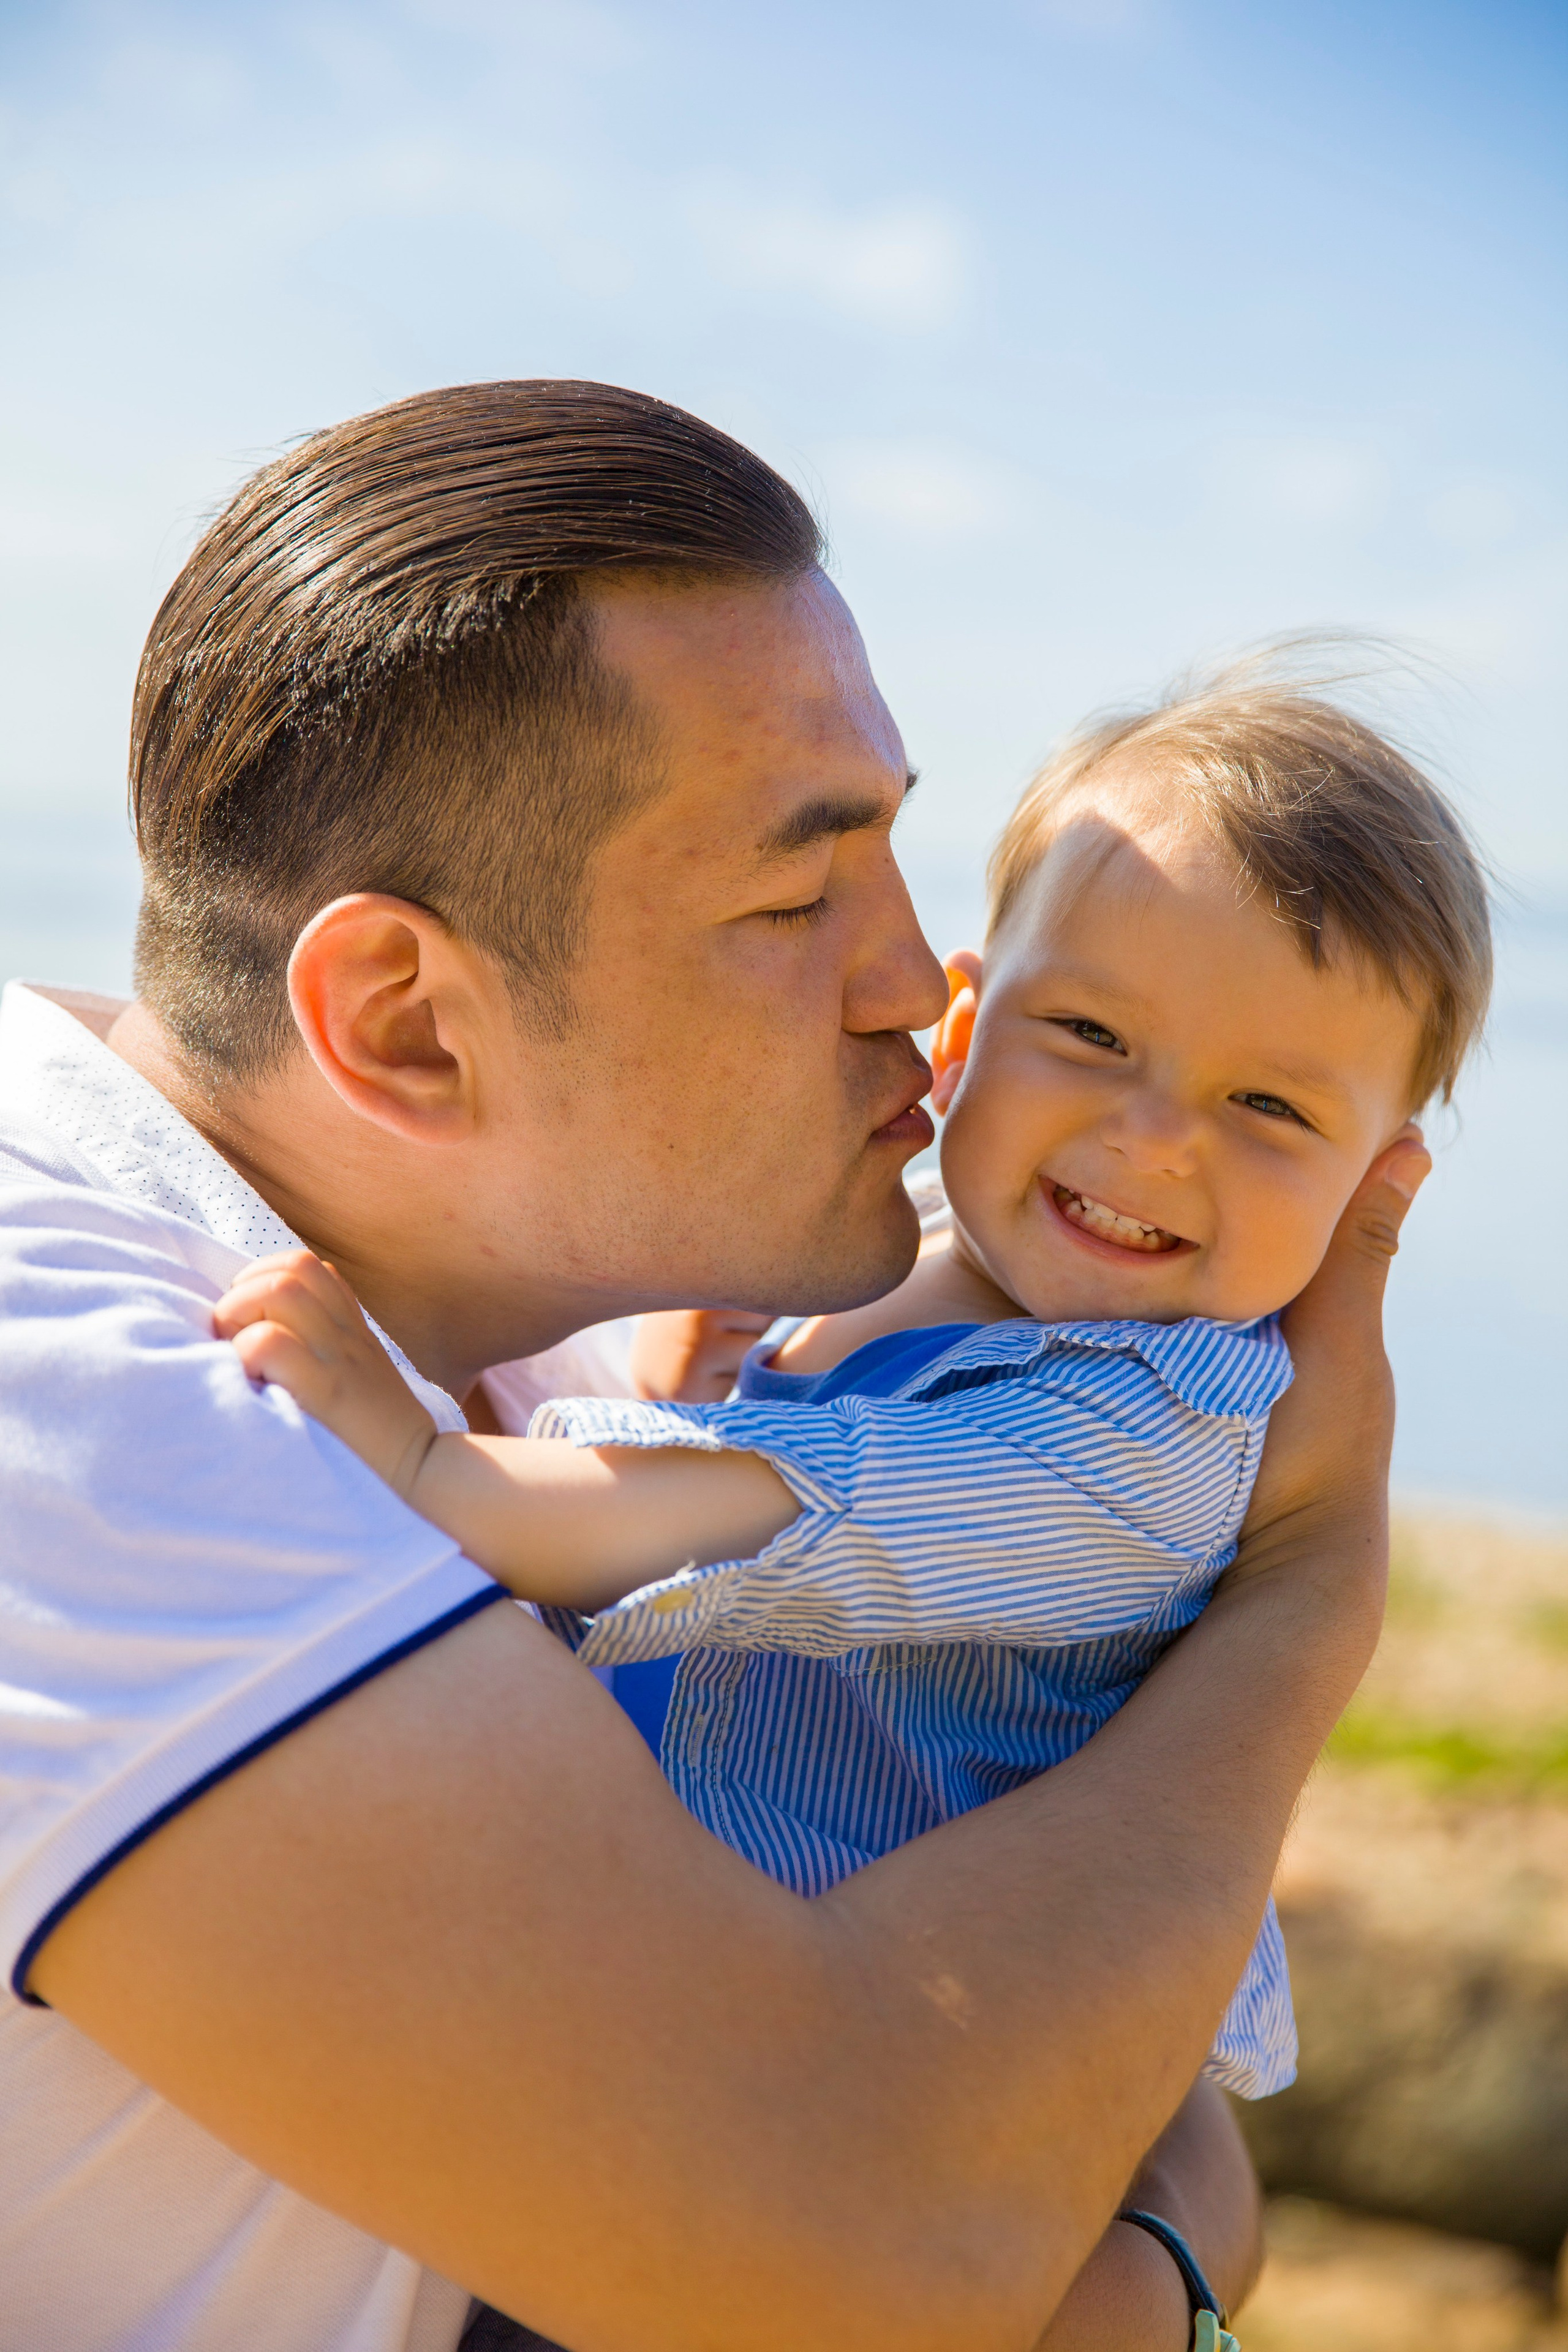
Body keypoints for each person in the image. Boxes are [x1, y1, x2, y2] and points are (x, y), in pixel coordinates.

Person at [0, 379, 1428, 2352]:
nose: (918, 984)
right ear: (404, 1023)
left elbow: (1133, 2114)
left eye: (897, 853)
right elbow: (873, 2264)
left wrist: (1143, 2255)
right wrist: (1305, 1592)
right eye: (797, 894)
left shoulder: (565, 1330)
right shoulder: (100, 1412)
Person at [213, 663, 1489, 2115]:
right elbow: (767, 1443)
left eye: (1266, 1106)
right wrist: (709, 1378)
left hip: (866, 2062)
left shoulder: (1156, 1437)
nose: (1152, 1138)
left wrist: (427, 1468)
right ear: (962, 1033)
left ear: (1377, 1181)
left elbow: (798, 1514)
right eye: (1090, 1036)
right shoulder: (926, 1239)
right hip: (667, 1959)